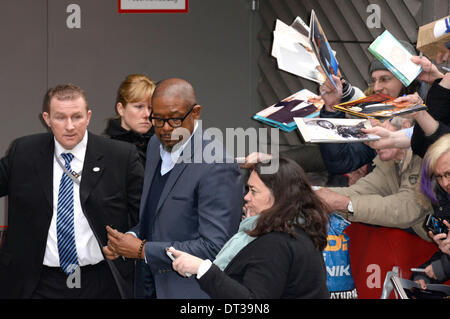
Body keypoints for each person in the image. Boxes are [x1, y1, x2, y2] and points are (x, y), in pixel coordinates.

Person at [103, 78, 244, 299]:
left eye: (175, 119)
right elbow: (156, 217)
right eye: (157, 120)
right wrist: (127, 240)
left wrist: (142, 250)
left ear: (195, 112)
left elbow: (215, 247)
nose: (166, 128)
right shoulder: (154, 145)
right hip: (147, 287)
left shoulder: (217, 164)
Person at [0, 84, 144, 299]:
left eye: (76, 117)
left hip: (101, 280)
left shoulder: (120, 156)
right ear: (47, 119)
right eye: (60, 118)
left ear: (88, 117)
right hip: (37, 281)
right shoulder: (24, 152)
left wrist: (129, 239)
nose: (69, 126)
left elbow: (145, 212)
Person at [167, 157, 330, 299]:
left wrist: (202, 268)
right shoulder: (299, 229)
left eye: (254, 191)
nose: (246, 197)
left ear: (279, 196)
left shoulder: (275, 243)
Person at [318, 40, 421, 185]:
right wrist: (332, 108)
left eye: (385, 79)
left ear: (406, 79)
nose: (377, 87)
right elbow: (341, 162)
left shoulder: (430, 112)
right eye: (374, 80)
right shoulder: (375, 114)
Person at [315, 117, 431, 240]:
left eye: (380, 130)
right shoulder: (389, 163)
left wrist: (346, 204)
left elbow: (406, 210)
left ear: (406, 126)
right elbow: (358, 192)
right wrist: (309, 195)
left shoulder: (425, 158)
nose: (373, 142)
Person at [412, 134, 450, 288]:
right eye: (439, 177)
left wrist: (442, 267)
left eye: (448, 174)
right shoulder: (443, 201)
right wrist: (422, 275)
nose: (445, 183)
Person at [104, 74, 156, 166]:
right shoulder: (106, 148)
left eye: (151, 108)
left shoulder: (161, 146)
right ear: (121, 109)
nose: (147, 114)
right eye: (139, 106)